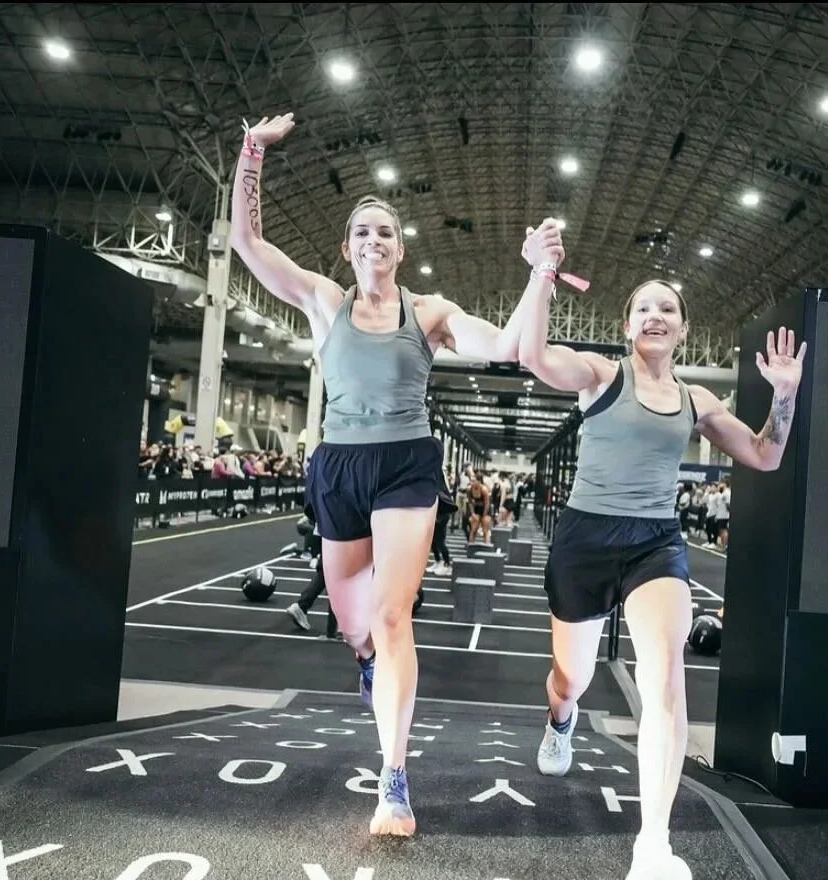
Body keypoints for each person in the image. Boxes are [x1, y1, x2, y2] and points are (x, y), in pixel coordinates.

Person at [229, 111, 564, 838]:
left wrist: (540, 274)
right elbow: (246, 243)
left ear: (400, 249)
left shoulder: (431, 311)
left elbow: (508, 347)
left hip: (407, 463)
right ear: (347, 248)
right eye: (362, 232)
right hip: (339, 468)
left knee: (391, 617)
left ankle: (394, 782)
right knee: (356, 627)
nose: (373, 240)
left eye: (385, 231)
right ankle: (365, 661)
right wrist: (252, 153)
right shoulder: (324, 300)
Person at [516, 254, 806, 878]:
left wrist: (785, 395)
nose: (655, 315)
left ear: (682, 329)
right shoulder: (599, 374)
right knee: (571, 679)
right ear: (628, 326)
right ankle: (560, 721)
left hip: (655, 543)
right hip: (586, 540)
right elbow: (533, 356)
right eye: (643, 307)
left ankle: (653, 844)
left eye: (667, 309)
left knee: (666, 679)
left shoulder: (695, 399)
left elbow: (765, 455)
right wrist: (541, 276)